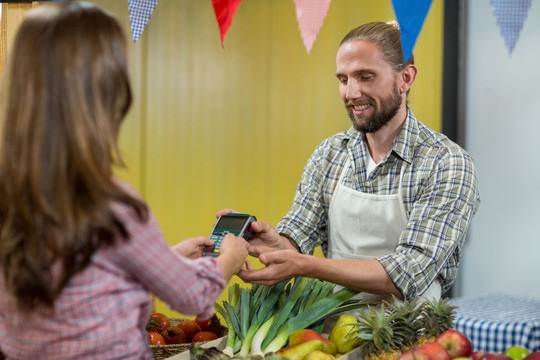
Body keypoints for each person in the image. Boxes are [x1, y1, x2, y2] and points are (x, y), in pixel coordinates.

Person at [0, 3, 248, 359]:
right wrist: (230, 257)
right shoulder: (110, 206)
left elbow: (74, 279)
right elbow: (192, 295)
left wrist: (164, 259)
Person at [220, 21, 480, 305]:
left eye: (365, 77)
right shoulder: (330, 154)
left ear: (405, 78)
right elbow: (299, 234)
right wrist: (275, 245)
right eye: (343, 80)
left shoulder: (446, 163)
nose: (351, 93)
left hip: (409, 338)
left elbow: (408, 270)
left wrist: (305, 265)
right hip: (332, 335)